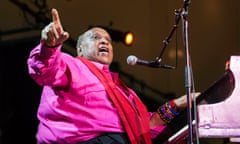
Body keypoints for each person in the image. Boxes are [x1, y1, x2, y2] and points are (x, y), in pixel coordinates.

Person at [27, 8, 199, 144]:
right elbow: (43, 69)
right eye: (95, 38)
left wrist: (179, 103)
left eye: (108, 40)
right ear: (79, 49)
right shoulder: (70, 64)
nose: (104, 42)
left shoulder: (124, 93)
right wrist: (48, 47)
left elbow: (148, 124)